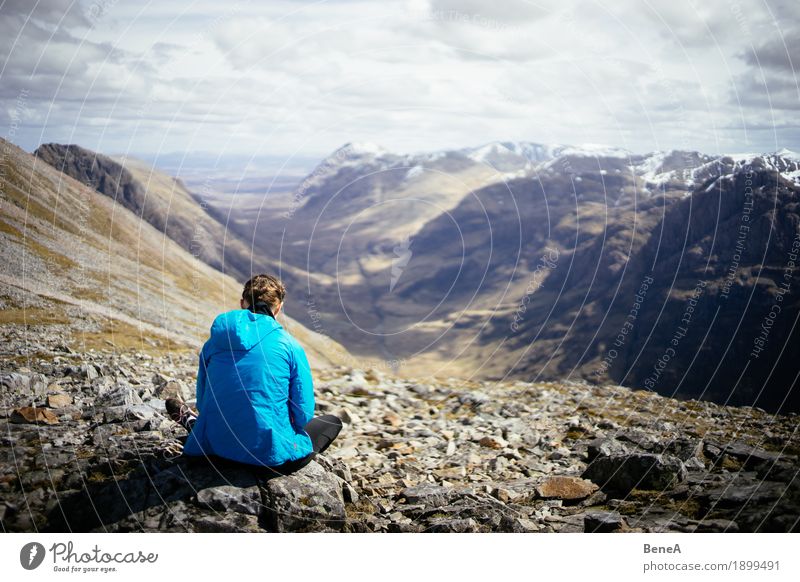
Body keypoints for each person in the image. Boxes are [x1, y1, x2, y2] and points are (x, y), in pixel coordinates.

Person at [166, 274, 342, 474]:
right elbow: (303, 415)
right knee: (332, 422)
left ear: (243, 303)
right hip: (269, 460)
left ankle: (194, 426)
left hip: (212, 453)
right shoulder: (290, 345)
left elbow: (203, 402)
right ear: (279, 307)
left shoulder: (212, 343)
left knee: (215, 418)